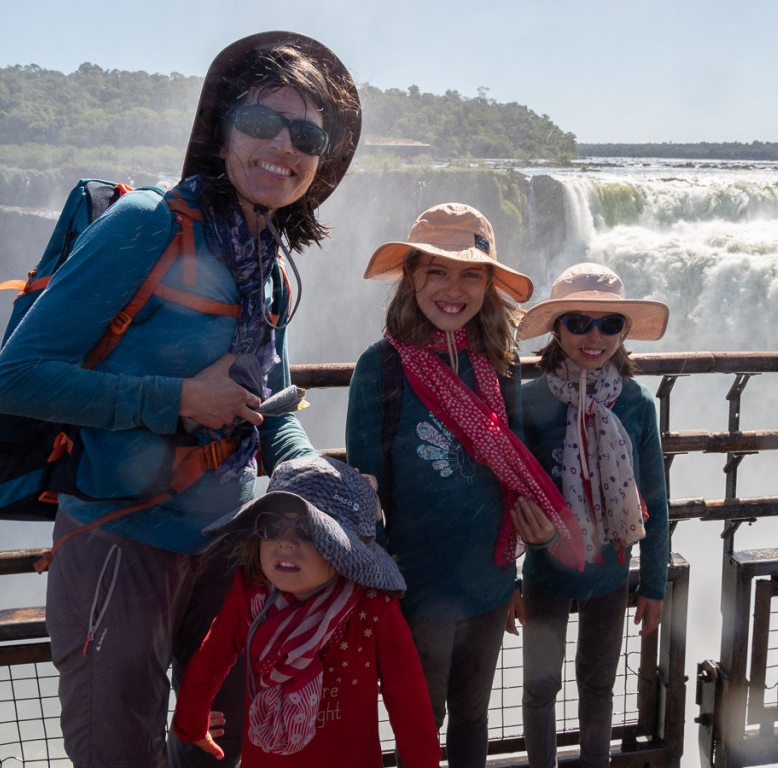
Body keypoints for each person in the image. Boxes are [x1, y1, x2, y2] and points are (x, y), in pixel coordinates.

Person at [0, 31, 360, 768]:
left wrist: (311, 470)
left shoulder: (269, 264)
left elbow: (266, 407)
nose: (283, 146)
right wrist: (178, 399)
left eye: (307, 135)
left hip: (229, 546)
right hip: (121, 542)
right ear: (221, 131)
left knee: (221, 743)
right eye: (262, 121)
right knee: (119, 748)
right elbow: (17, 379)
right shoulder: (147, 224)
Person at [345, 203, 585, 767]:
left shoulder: (500, 363)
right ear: (412, 277)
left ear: (488, 285)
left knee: (473, 717)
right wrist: (382, 592)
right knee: (422, 722)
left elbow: (515, 475)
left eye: (471, 275)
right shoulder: (380, 368)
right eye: (437, 271)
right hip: (417, 589)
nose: (454, 290)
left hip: (490, 583)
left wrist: (521, 566)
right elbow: (362, 496)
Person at [172, 455, 441, 767]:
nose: (285, 543)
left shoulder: (372, 605)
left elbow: (407, 696)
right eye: (272, 526)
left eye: (307, 529)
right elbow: (213, 654)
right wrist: (191, 722)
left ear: (345, 550)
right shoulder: (252, 590)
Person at [516, 262, 671, 768]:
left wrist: (654, 585)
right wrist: (505, 582)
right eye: (579, 323)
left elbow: (655, 499)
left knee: (599, 684)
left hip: (611, 570)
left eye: (609, 324)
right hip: (544, 570)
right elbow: (506, 499)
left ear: (623, 333)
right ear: (557, 329)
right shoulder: (529, 401)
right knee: (540, 688)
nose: (594, 337)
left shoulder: (636, 403)